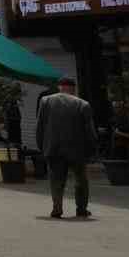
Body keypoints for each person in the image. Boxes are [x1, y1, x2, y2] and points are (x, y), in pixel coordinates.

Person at [36, 77, 95, 220]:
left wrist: (42, 146)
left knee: (56, 180)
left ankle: (57, 209)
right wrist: (92, 150)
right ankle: (81, 209)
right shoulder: (83, 104)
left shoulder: (46, 101)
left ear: (59, 87)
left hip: (53, 148)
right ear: (73, 88)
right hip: (77, 150)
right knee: (81, 180)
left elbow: (40, 127)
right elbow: (90, 131)